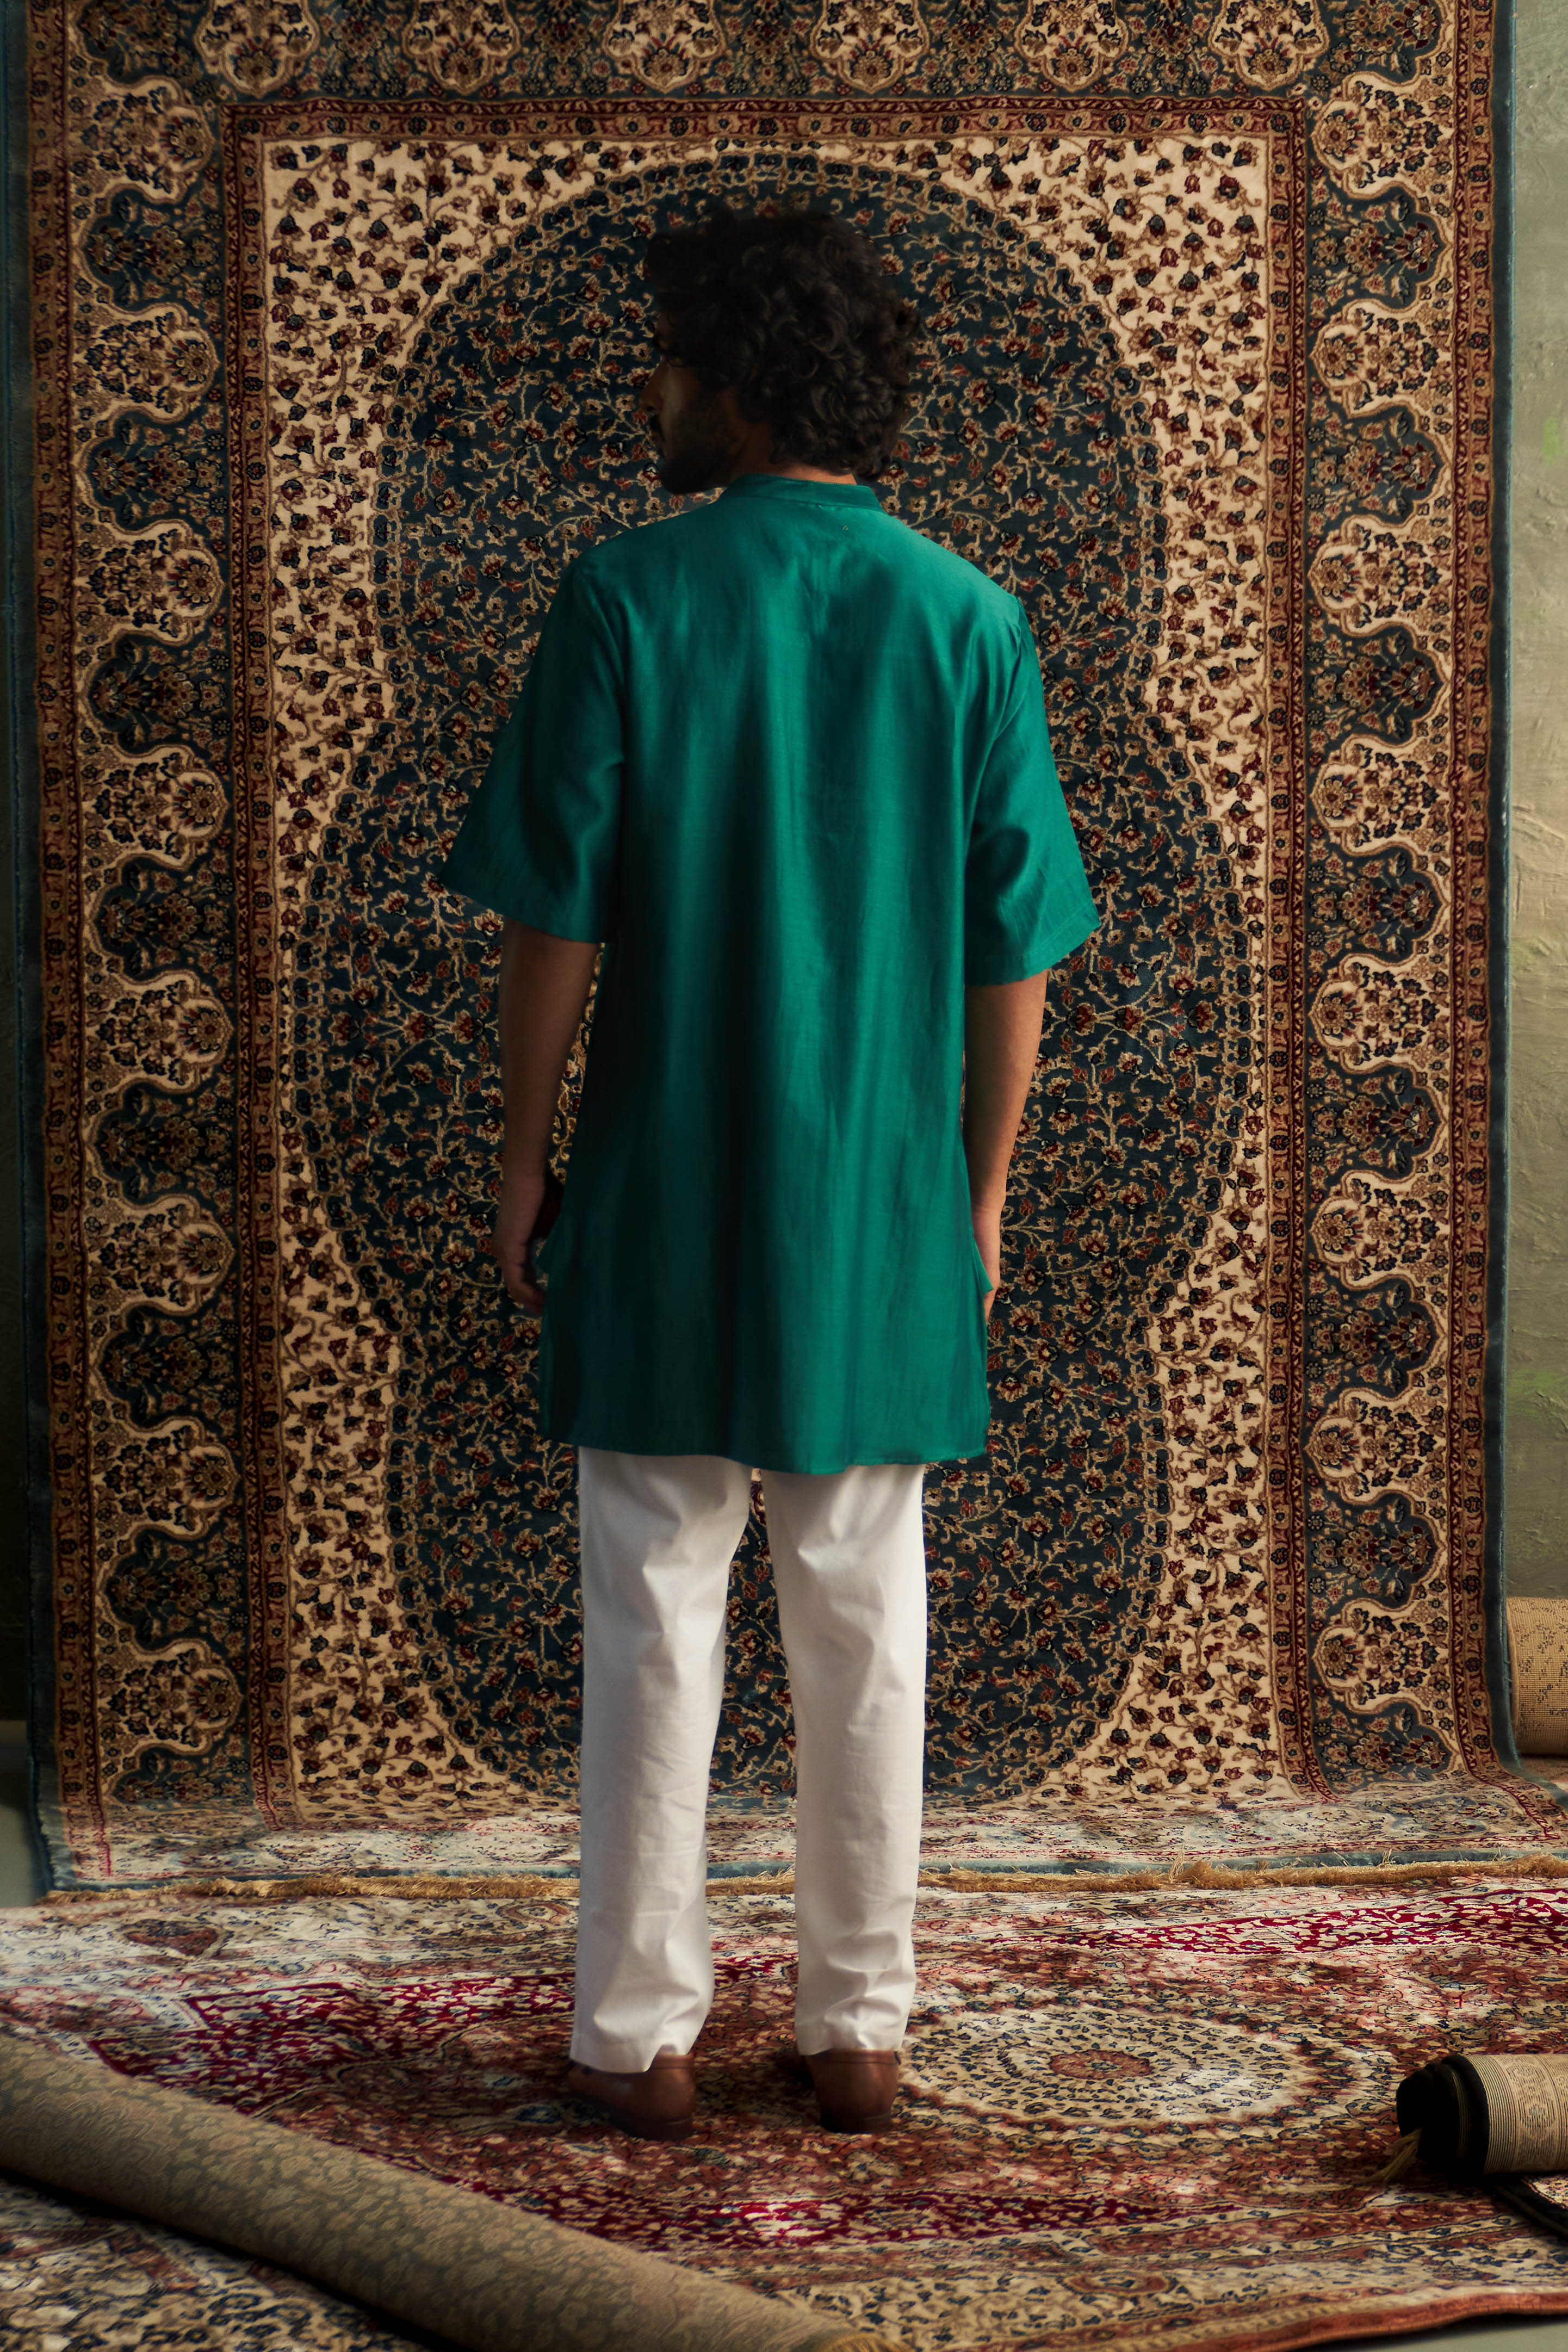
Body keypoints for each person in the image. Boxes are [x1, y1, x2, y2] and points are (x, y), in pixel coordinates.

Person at [438, 201, 1099, 2143]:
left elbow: (553, 922)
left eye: (665, 359)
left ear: (736, 379)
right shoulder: (968, 618)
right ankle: (855, 2024)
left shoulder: (625, 597)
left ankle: (632, 2031)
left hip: (660, 1183)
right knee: (863, 1605)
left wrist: (521, 1155)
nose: (647, 392)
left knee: (652, 1602)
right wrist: (977, 1194)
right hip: (878, 1203)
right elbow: (1012, 953)